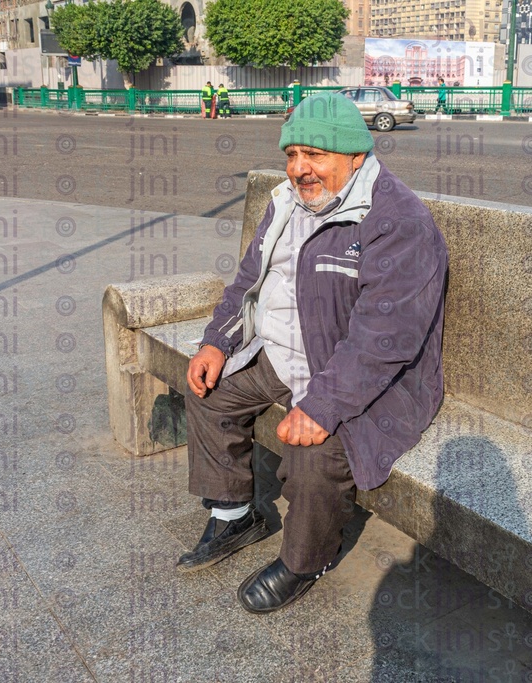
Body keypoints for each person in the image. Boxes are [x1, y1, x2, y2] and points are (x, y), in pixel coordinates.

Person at [176, 92, 448, 613]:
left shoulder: (397, 221)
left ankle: (305, 559)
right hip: (286, 350)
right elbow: (247, 285)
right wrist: (217, 341)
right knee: (209, 393)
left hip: (363, 377)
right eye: (292, 154)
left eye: (315, 154)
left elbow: (384, 337)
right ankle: (236, 517)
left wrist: (322, 406)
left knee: (313, 455)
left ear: (355, 156)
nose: (300, 168)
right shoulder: (286, 203)